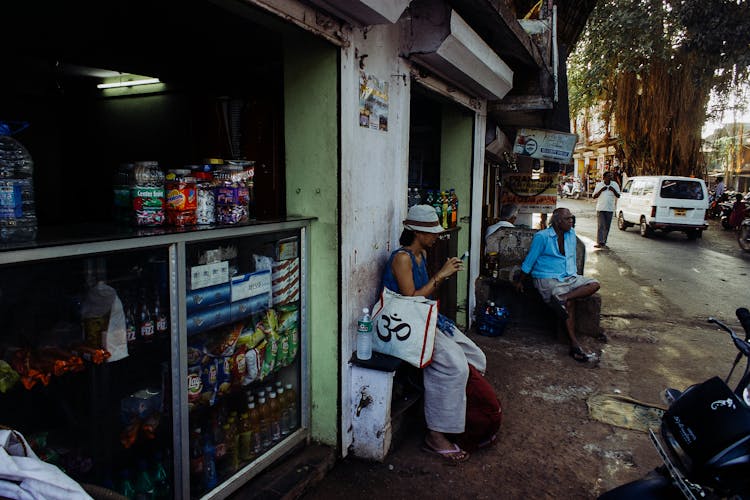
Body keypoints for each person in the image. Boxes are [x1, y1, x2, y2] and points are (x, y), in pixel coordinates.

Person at [382, 204, 487, 462]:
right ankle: (436, 434)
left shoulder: (422, 256)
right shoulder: (402, 258)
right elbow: (410, 299)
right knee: (454, 365)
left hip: (425, 317)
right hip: (405, 322)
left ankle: (458, 411)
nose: (437, 237)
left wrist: (441, 276)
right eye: (433, 233)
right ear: (418, 233)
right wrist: (441, 275)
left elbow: (426, 293)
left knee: (476, 356)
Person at [513, 207, 601, 363]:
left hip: (567, 277)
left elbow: (571, 258)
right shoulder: (542, 237)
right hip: (547, 278)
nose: (571, 221)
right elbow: (530, 260)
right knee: (569, 304)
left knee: (594, 284)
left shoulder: (570, 234)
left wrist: (572, 279)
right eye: (568, 219)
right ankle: (574, 345)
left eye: (572, 218)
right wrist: (520, 281)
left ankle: (562, 297)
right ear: (558, 222)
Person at [592, 171, 621, 248]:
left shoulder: (615, 184)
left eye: (611, 176)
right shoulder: (599, 185)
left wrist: (613, 190)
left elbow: (618, 195)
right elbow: (594, 196)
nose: (610, 177)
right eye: (608, 176)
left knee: (607, 226)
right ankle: (599, 242)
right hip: (601, 208)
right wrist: (601, 190)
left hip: (610, 209)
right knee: (601, 226)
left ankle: (604, 242)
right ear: (604, 178)